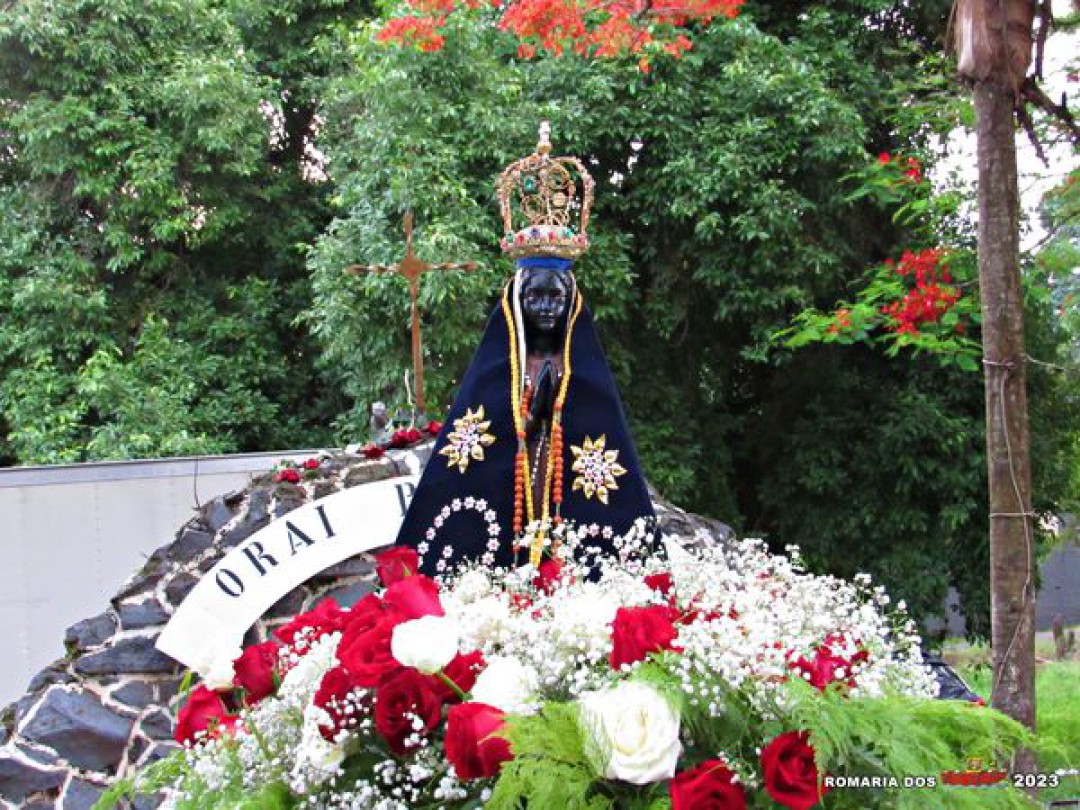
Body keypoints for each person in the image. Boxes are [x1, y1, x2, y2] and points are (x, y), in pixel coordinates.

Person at [396, 125, 655, 573]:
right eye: (535, 296)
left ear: (571, 300)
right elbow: (473, 445)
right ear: (516, 301)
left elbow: (599, 442)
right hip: (507, 500)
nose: (546, 308)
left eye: (556, 297)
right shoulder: (499, 369)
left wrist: (556, 408)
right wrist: (527, 415)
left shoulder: (581, 370)